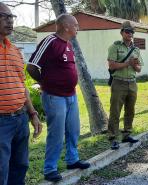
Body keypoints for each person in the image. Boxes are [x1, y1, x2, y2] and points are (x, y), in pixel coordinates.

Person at [27, 14, 90, 182]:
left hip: (71, 95)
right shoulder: (50, 41)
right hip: (54, 97)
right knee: (56, 133)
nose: (78, 28)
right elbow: (32, 66)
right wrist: (45, 82)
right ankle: (50, 169)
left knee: (73, 129)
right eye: (76, 25)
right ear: (66, 26)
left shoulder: (68, 44)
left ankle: (72, 160)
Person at [0, 3, 42, 184]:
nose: (10, 21)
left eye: (12, 17)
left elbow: (21, 84)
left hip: (20, 119)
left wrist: (32, 113)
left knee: (20, 166)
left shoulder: (16, 51)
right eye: (4, 16)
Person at [107, 21, 142, 150]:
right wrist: (128, 63)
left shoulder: (136, 49)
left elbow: (139, 69)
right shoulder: (115, 47)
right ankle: (114, 138)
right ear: (122, 32)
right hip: (119, 82)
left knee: (130, 110)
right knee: (115, 111)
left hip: (132, 83)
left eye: (132, 32)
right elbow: (112, 65)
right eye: (127, 31)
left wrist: (134, 65)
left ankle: (127, 134)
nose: (130, 34)